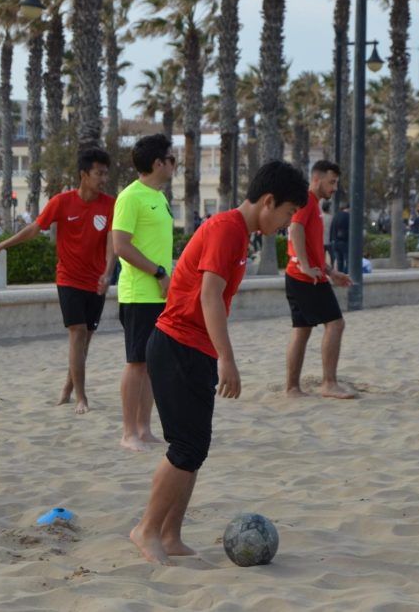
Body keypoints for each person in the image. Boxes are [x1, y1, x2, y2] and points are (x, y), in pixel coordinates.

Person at [130, 160, 308, 565]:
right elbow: (210, 295)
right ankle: (146, 530)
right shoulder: (226, 229)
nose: (285, 223)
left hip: (195, 350)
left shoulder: (239, 234)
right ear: (268, 201)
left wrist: (216, 355)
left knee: (196, 447)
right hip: (176, 345)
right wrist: (228, 359)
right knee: (185, 446)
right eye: (286, 214)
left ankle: (171, 534)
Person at [0, 149, 116, 414]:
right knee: (77, 333)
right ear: (84, 174)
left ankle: (68, 389)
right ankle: (81, 397)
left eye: (105, 173)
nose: (103, 178)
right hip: (68, 279)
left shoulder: (110, 205)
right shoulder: (62, 202)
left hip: (96, 282)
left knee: (85, 340)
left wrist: (108, 273)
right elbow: (35, 228)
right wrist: (2, 245)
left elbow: (112, 243)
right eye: (98, 173)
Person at [112, 134, 176, 451]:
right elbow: (121, 245)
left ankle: (144, 428)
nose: (175, 164)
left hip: (160, 295)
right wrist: (159, 273)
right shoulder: (130, 197)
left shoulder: (159, 197)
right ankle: (128, 433)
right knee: (136, 362)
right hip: (139, 295)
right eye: (172, 159)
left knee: (152, 364)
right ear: (157, 164)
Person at [283, 160, 356, 399]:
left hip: (301, 275)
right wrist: (305, 266)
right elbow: (295, 230)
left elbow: (312, 247)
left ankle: (292, 387)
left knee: (302, 329)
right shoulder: (306, 201)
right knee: (335, 324)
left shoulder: (313, 205)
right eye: (331, 182)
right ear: (317, 179)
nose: (334, 188)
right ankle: (329, 383)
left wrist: (331, 272)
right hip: (304, 278)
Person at [330, 204, 350, 274]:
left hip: (335, 241)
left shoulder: (336, 216)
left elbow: (332, 228)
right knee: (348, 260)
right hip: (345, 242)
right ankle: (346, 274)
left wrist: (332, 239)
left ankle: (340, 274)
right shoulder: (348, 216)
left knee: (339, 261)